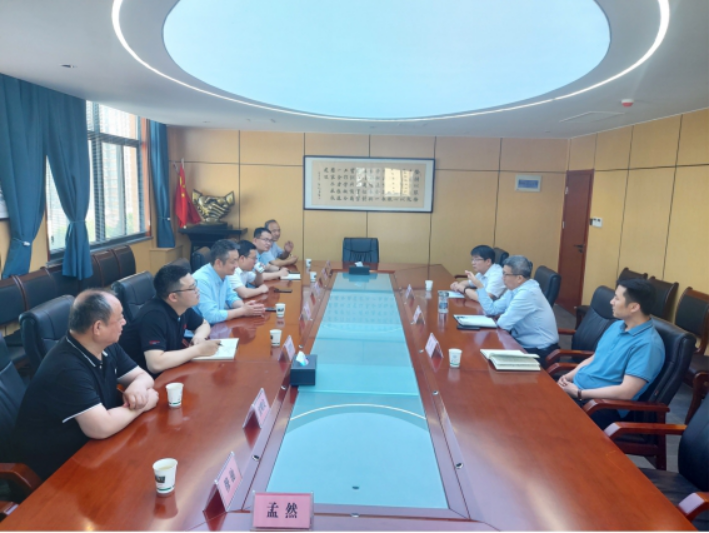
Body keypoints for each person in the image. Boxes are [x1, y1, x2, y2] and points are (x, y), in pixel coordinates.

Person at [11, 290, 159, 480]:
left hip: (92, 449)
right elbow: (101, 427)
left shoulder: (106, 345)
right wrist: (142, 406)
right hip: (58, 469)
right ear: (98, 327)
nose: (124, 322)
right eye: (119, 318)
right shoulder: (66, 368)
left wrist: (137, 387)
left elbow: (143, 376)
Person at [558, 279, 665, 429]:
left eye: (616, 298)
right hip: (577, 390)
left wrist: (580, 393)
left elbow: (626, 392)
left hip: (599, 405)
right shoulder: (617, 326)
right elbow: (596, 358)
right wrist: (568, 376)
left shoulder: (648, 345)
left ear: (634, 307)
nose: (611, 301)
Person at [119, 264, 221, 376]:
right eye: (192, 288)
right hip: (144, 379)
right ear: (173, 297)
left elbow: (203, 324)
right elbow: (155, 364)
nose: (197, 290)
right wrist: (198, 350)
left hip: (169, 370)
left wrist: (199, 337)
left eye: (195, 284)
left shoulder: (182, 306)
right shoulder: (153, 316)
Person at [470, 255, 559, 359]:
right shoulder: (515, 289)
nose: (502, 278)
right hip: (521, 343)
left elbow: (503, 324)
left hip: (540, 351)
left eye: (505, 274)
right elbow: (492, 309)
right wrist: (480, 287)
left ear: (519, 278)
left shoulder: (528, 293)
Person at [192, 239, 265, 324]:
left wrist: (245, 307)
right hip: (201, 329)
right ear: (219, 263)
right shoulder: (201, 280)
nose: (237, 265)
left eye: (237, 260)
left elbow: (231, 297)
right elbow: (211, 316)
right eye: (233, 262)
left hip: (218, 324)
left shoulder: (223, 272)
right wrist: (243, 311)